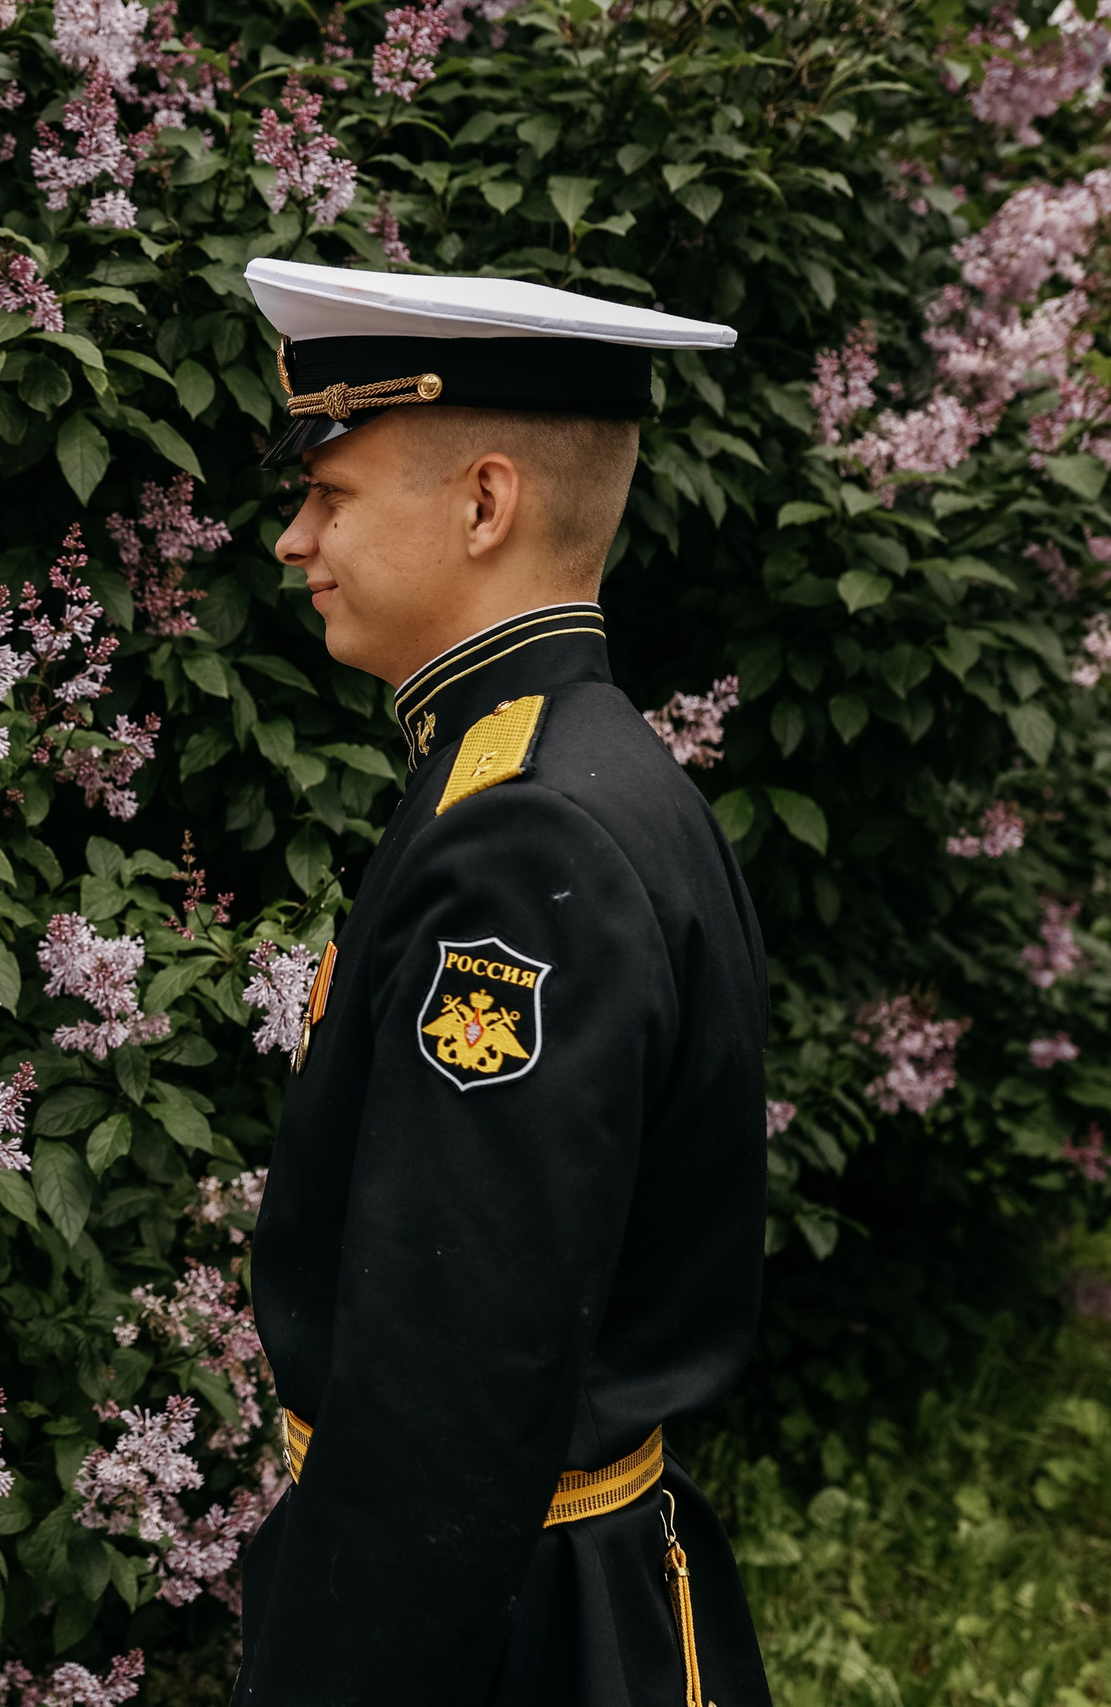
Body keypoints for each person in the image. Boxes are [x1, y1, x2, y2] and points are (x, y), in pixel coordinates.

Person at [228, 261, 773, 1707]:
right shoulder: (567, 772)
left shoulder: (529, 830)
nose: (294, 540)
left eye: (332, 495)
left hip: (506, 1637)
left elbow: (448, 1387)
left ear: (484, 503)